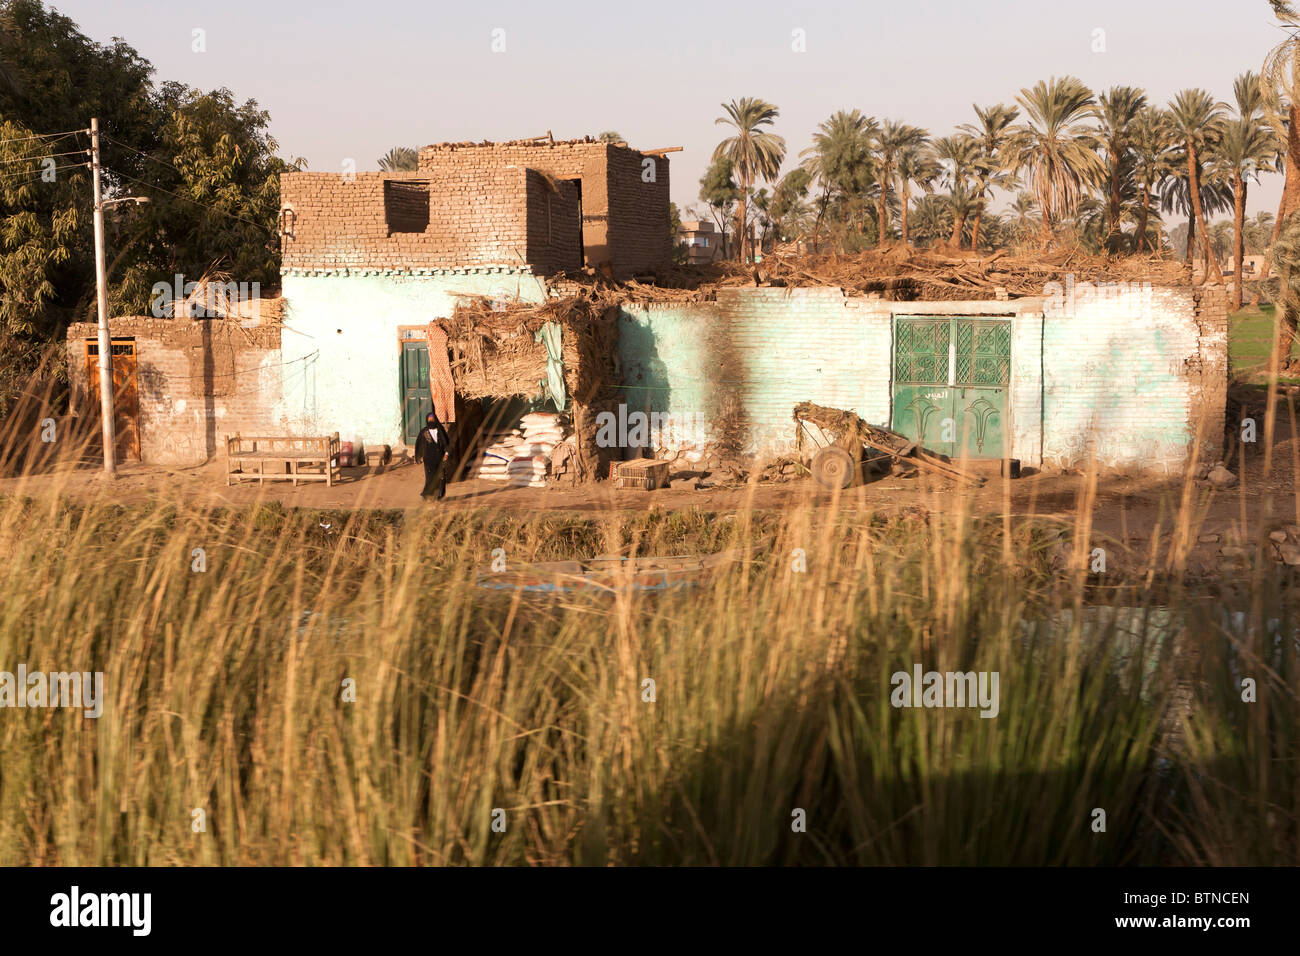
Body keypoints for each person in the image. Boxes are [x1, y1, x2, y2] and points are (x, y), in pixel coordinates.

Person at [414, 410, 450, 501]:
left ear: (435, 419)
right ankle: (427, 495)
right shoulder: (424, 432)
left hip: (440, 458)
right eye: (429, 419)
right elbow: (419, 445)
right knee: (430, 478)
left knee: (441, 477)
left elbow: (447, 443)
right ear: (427, 420)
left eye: (432, 419)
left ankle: (439, 496)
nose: (431, 421)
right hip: (428, 459)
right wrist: (419, 456)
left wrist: (446, 453)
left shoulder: (441, 430)